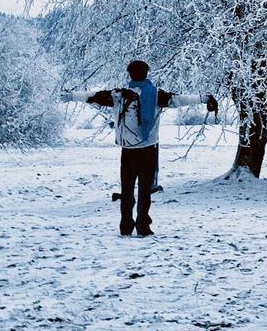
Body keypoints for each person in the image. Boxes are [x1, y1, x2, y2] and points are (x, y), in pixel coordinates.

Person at [63, 60, 217, 237]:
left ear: (129, 74)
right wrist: (204, 98)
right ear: (147, 74)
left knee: (127, 190)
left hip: (128, 152)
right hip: (148, 150)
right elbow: (180, 100)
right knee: (145, 191)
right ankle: (143, 226)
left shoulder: (119, 95)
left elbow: (94, 96)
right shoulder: (156, 95)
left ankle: (125, 227)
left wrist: (72, 96)